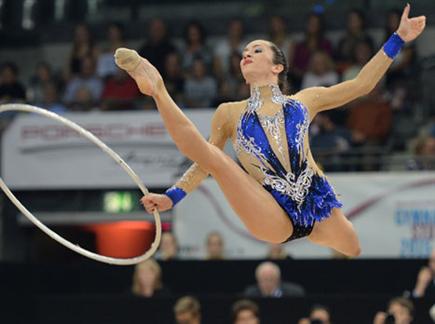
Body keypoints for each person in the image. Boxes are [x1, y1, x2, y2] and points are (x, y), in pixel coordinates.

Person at [117, 4, 425, 255]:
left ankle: (316, 237)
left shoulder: (305, 100)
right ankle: (157, 89)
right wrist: (173, 197)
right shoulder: (230, 113)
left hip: (316, 204)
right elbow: (203, 163)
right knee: (217, 159)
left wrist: (397, 37)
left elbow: (362, 85)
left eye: (257, 50)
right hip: (269, 211)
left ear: (277, 67)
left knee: (354, 248)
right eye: (244, 52)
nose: (246, 54)